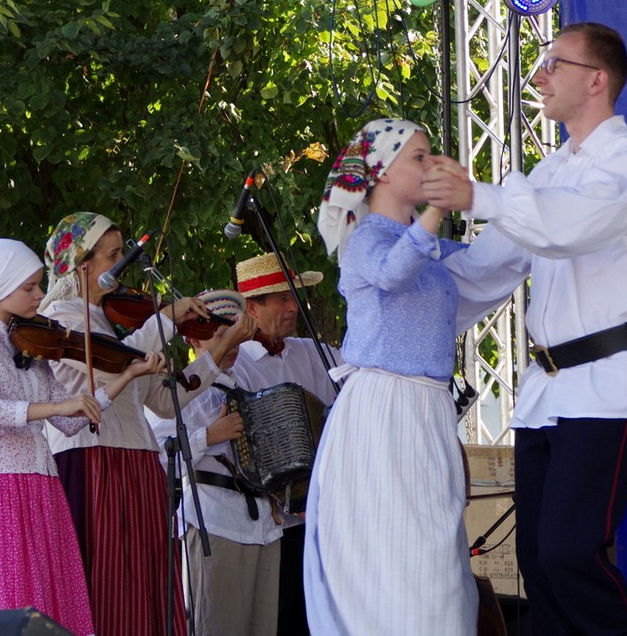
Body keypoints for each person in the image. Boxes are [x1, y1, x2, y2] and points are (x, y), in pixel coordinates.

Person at [423, 22, 627, 636]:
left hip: (611, 384)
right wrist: (401, 272)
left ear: (597, 80)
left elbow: (570, 226)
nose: (539, 76)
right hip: (550, 390)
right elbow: (487, 267)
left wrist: (477, 195)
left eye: (554, 64)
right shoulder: (549, 172)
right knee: (538, 561)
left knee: (570, 552)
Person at [38, 212, 257, 636]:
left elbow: (165, 400)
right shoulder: (61, 318)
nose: (120, 265)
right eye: (112, 256)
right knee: (105, 585)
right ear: (82, 265)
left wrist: (222, 344)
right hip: (92, 461)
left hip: (137, 462)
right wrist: (166, 319)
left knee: (141, 586)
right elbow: (110, 366)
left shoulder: (112, 321)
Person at [303, 118, 480, 636]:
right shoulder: (367, 240)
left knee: (436, 554)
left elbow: (488, 264)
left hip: (428, 409)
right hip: (384, 409)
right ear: (381, 172)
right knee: (399, 555)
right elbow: (391, 272)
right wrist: (437, 211)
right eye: (418, 157)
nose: (431, 164)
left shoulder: (427, 247)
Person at [0, 238, 164, 636]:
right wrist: (53, 407)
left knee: (42, 596)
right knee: (7, 594)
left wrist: (128, 374)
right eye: (29, 287)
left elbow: (71, 420)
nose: (39, 295)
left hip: (39, 483)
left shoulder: (27, 342)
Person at [148, 289, 283, 636]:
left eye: (236, 333)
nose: (233, 343)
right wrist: (207, 436)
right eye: (222, 334)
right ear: (195, 339)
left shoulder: (247, 385)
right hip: (215, 522)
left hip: (264, 525)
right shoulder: (179, 391)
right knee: (217, 627)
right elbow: (157, 458)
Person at [230, 251, 342, 636]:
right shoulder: (234, 364)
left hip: (321, 516)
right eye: (282, 299)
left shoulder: (314, 352)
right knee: (281, 618)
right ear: (253, 308)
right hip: (271, 522)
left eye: (293, 297)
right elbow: (244, 447)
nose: (293, 307)